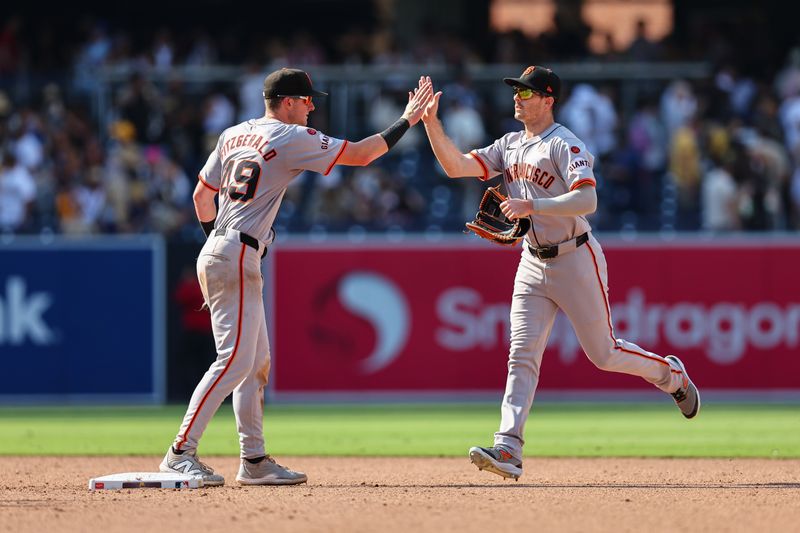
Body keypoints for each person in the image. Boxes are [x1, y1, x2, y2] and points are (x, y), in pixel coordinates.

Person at [418, 67, 700, 481]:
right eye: (516, 91)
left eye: (527, 92)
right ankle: (508, 448)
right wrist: (430, 122)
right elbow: (456, 166)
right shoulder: (509, 144)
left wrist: (534, 207)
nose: (518, 97)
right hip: (532, 261)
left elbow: (588, 199)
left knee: (604, 353)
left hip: (575, 257)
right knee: (521, 353)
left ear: (548, 100)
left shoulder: (565, 143)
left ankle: (671, 374)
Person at [160, 68, 433, 486]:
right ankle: (180, 452)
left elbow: (201, 196)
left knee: (255, 365)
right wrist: (408, 119)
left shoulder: (233, 133)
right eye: (307, 100)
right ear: (287, 102)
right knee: (233, 362)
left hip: (222, 245)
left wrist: (215, 244)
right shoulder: (290, 137)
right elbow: (361, 155)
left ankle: (254, 461)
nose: (312, 107)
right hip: (236, 252)